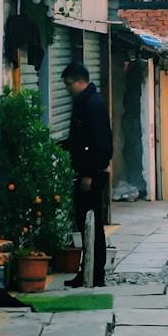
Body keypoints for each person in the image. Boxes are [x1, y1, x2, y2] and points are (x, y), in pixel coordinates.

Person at [60, 62, 113, 288]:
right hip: (84, 172)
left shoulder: (91, 105)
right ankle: (88, 271)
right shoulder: (86, 103)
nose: (68, 90)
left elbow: (100, 144)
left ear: (79, 81)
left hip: (90, 175)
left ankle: (94, 273)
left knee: (91, 224)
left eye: (69, 85)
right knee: (85, 225)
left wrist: (89, 174)